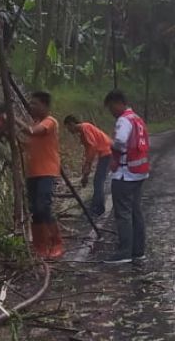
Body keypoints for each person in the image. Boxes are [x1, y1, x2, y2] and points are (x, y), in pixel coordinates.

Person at [103, 90, 150, 265]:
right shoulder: (137, 119)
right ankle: (138, 251)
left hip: (125, 173)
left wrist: (108, 141)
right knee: (136, 212)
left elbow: (121, 141)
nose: (111, 112)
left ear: (118, 103)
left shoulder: (124, 120)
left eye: (111, 108)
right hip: (139, 172)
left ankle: (124, 252)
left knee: (123, 213)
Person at [16, 91, 63, 260]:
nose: (31, 106)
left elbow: (31, 131)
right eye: (31, 103)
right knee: (35, 209)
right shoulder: (36, 123)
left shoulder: (49, 122)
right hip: (33, 172)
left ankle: (56, 242)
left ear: (45, 105)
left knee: (44, 206)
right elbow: (26, 145)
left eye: (35, 103)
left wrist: (13, 118)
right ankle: (40, 245)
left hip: (47, 171)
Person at [63, 115, 113, 217]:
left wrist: (88, 164)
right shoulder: (82, 132)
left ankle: (97, 209)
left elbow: (93, 146)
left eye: (68, 127)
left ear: (71, 124)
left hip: (108, 152)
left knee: (98, 181)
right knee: (98, 181)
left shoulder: (84, 128)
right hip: (106, 153)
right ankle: (96, 206)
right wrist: (85, 169)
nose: (68, 130)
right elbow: (88, 150)